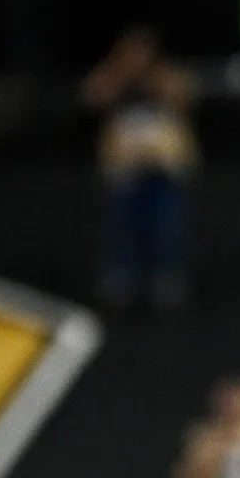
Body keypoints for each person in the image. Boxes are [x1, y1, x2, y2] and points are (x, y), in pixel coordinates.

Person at [83, 25, 200, 314]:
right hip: (127, 170)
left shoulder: (165, 78)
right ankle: (123, 276)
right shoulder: (115, 80)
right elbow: (92, 96)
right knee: (125, 226)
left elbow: (186, 94)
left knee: (166, 227)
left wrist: (152, 77)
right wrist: (120, 72)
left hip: (163, 168)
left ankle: (166, 276)